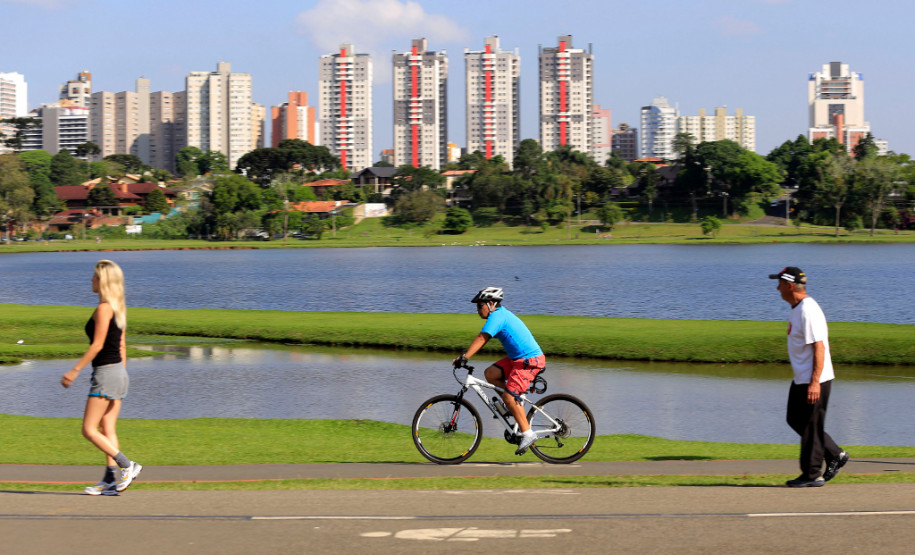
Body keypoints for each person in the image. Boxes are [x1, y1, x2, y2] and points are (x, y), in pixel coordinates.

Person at [61, 260, 142, 495]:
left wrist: (74, 370)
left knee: (88, 429)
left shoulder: (104, 309)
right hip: (118, 372)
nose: (91, 280)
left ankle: (127, 465)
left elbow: (97, 345)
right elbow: (122, 345)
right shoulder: (118, 308)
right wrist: (122, 374)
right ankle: (109, 481)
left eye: (94, 277)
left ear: (103, 281)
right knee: (107, 427)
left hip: (107, 373)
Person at [770, 266, 848, 487]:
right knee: (795, 419)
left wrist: (815, 382)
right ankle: (834, 453)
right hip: (802, 379)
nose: (777, 288)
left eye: (780, 284)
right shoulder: (797, 308)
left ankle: (812, 474)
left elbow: (820, 347)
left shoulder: (808, 309)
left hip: (815, 380)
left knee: (811, 425)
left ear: (790, 286)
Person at [454, 287, 545, 455]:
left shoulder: (498, 316)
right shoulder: (498, 314)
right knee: (491, 374)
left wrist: (464, 357)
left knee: (509, 396)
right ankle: (511, 405)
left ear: (491, 304)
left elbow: (483, 338)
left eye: (480, 305)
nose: (477, 310)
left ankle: (527, 433)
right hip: (518, 359)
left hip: (529, 360)